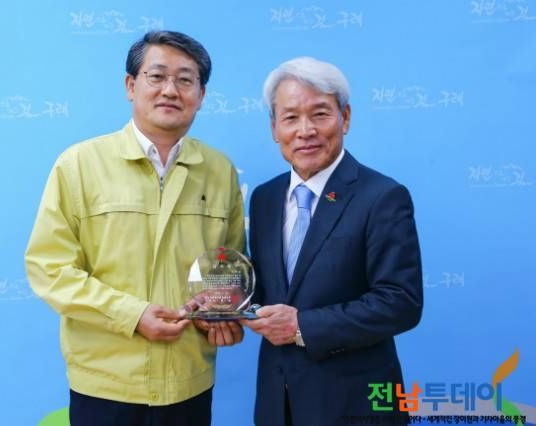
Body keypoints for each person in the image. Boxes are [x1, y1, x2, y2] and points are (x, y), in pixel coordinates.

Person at [25, 30, 245, 426]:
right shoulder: (79, 165)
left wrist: (222, 314)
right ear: (131, 85)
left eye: (185, 80)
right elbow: (50, 268)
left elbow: (228, 267)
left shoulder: (220, 171)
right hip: (106, 384)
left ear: (201, 95)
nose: (170, 90)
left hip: (189, 382)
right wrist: (133, 314)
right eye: (156, 76)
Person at [241, 57, 423, 426]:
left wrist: (302, 326)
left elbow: (400, 302)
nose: (305, 130)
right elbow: (269, 288)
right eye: (290, 117)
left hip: (354, 404)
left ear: (346, 117)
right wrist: (223, 304)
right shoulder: (265, 198)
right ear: (274, 128)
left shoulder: (382, 196)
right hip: (278, 403)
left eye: (320, 114)